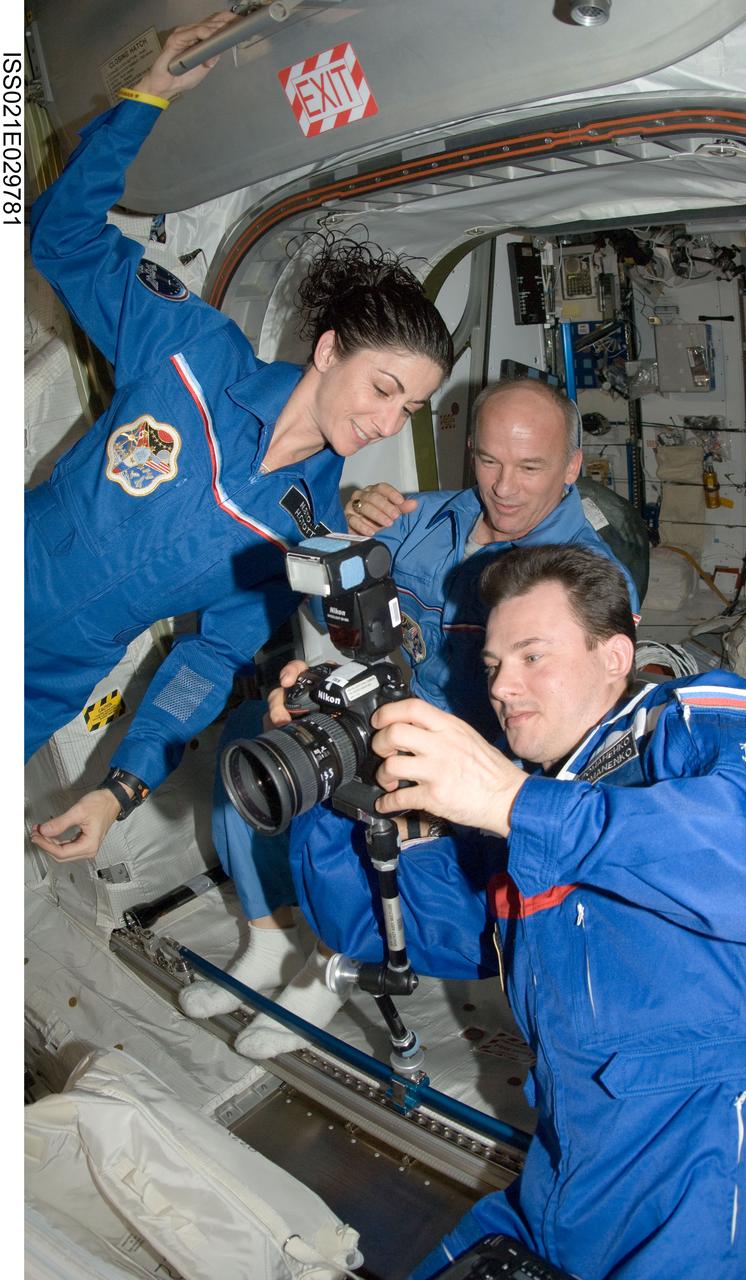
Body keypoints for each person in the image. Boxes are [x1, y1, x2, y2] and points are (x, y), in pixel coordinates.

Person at [286, 544, 746, 1279]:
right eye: (494, 666)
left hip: (704, 1181)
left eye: (533, 656)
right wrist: (328, 777)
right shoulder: (523, 828)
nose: (504, 687)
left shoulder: (694, 722)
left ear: (614, 655)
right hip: (563, 1185)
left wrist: (513, 801)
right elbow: (369, 923)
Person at [26, 12, 452, 862]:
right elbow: (61, 238)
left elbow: (211, 657)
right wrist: (146, 99)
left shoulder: (302, 527)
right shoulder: (193, 354)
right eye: (381, 387)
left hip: (45, 684)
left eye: (405, 411)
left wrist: (121, 789)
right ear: (329, 351)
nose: (382, 421)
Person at [179, 378, 644, 1053]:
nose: (505, 487)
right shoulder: (417, 518)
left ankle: (324, 967)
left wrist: (458, 793)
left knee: (346, 796)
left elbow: (571, 743)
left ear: (573, 467)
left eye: (531, 467)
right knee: (261, 736)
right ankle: (268, 937)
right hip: (386, 710)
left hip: (475, 762)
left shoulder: (586, 581)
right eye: (488, 460)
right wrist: (349, 533)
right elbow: (335, 609)